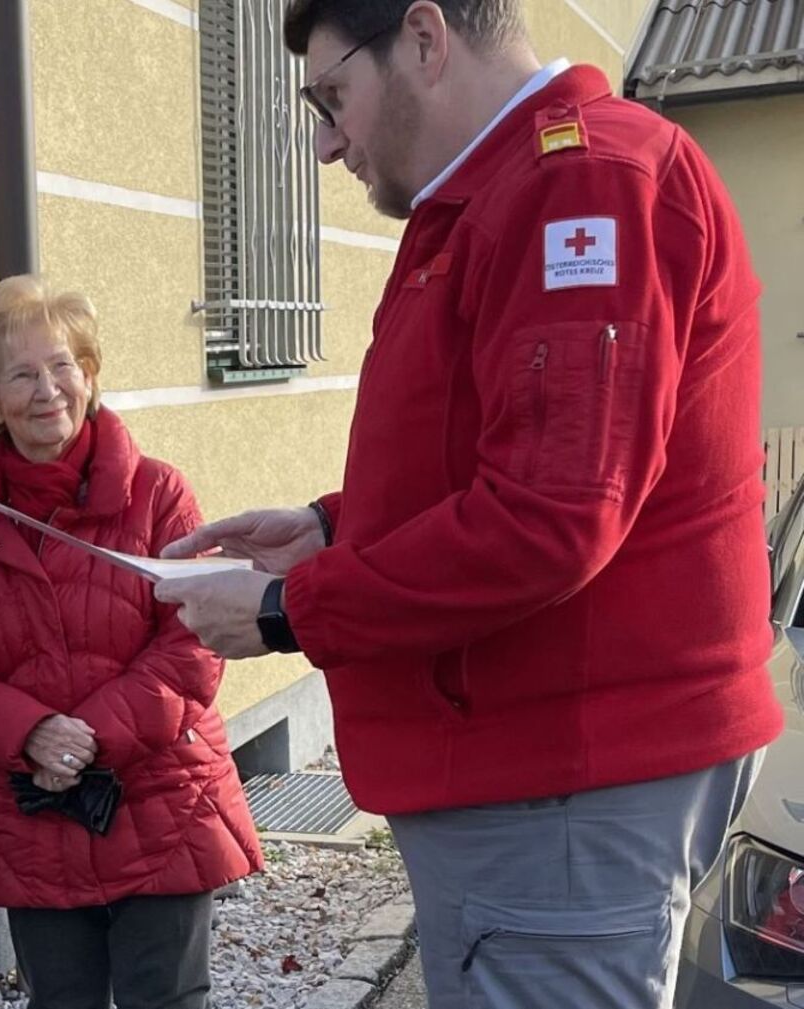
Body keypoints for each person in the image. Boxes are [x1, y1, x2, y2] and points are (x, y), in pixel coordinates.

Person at [151, 2, 780, 1005]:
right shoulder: (516, 192)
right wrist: (330, 527)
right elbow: (497, 452)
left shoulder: (580, 186)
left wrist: (286, 611)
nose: (324, 143)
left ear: (426, 39)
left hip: (565, 780)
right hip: (548, 770)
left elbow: (549, 515)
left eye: (331, 97)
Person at [0, 276, 260, 1009]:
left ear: (90, 372)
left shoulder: (158, 493)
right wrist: (33, 732)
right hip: (33, 809)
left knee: (166, 998)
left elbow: (193, 640)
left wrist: (86, 736)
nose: (48, 390)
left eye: (63, 365)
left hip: (160, 796)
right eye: (22, 374)